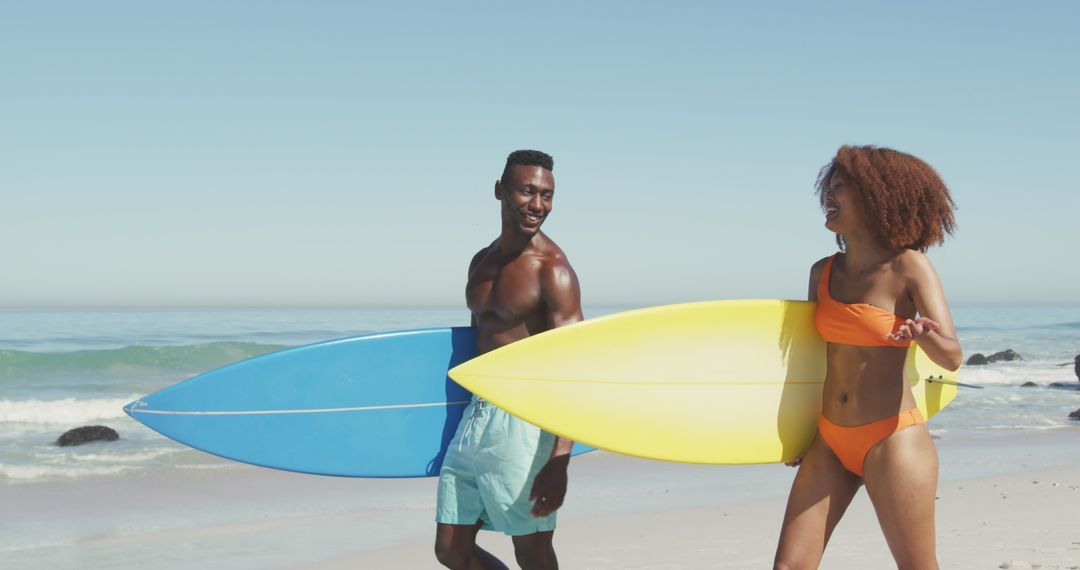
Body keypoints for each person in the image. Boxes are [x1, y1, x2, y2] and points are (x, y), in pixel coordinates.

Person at [774, 145, 963, 569]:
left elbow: (952, 356)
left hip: (891, 439)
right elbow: (811, 362)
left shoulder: (908, 268)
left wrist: (922, 338)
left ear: (879, 197)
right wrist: (799, 432)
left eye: (840, 188)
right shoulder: (822, 272)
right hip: (828, 439)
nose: (828, 197)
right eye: (829, 187)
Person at [435, 149, 582, 570]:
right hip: (477, 415)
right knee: (451, 549)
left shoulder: (552, 271)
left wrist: (559, 459)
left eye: (547, 195)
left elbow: (573, 369)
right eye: (527, 191)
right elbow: (476, 345)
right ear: (500, 191)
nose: (538, 205)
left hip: (526, 420)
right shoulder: (481, 263)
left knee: (532, 550)